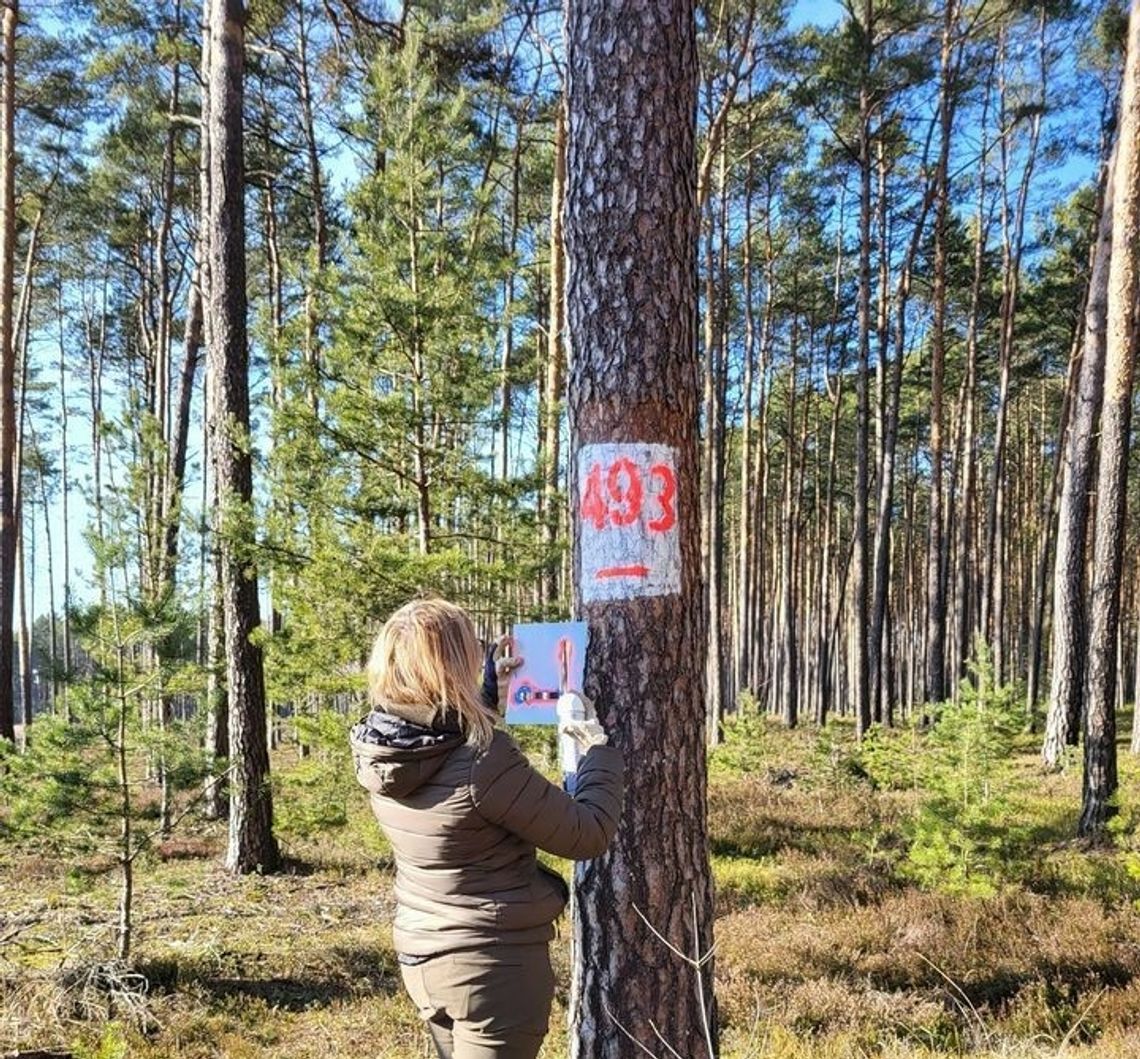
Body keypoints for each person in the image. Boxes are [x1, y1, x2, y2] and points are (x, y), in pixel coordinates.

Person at [349, 599, 623, 1059]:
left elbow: (444, 755)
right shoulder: (482, 759)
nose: (478, 654)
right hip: (491, 970)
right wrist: (597, 750)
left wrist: (487, 696)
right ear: (450, 664)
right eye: (469, 650)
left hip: (423, 957)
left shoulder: (382, 747)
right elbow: (587, 832)